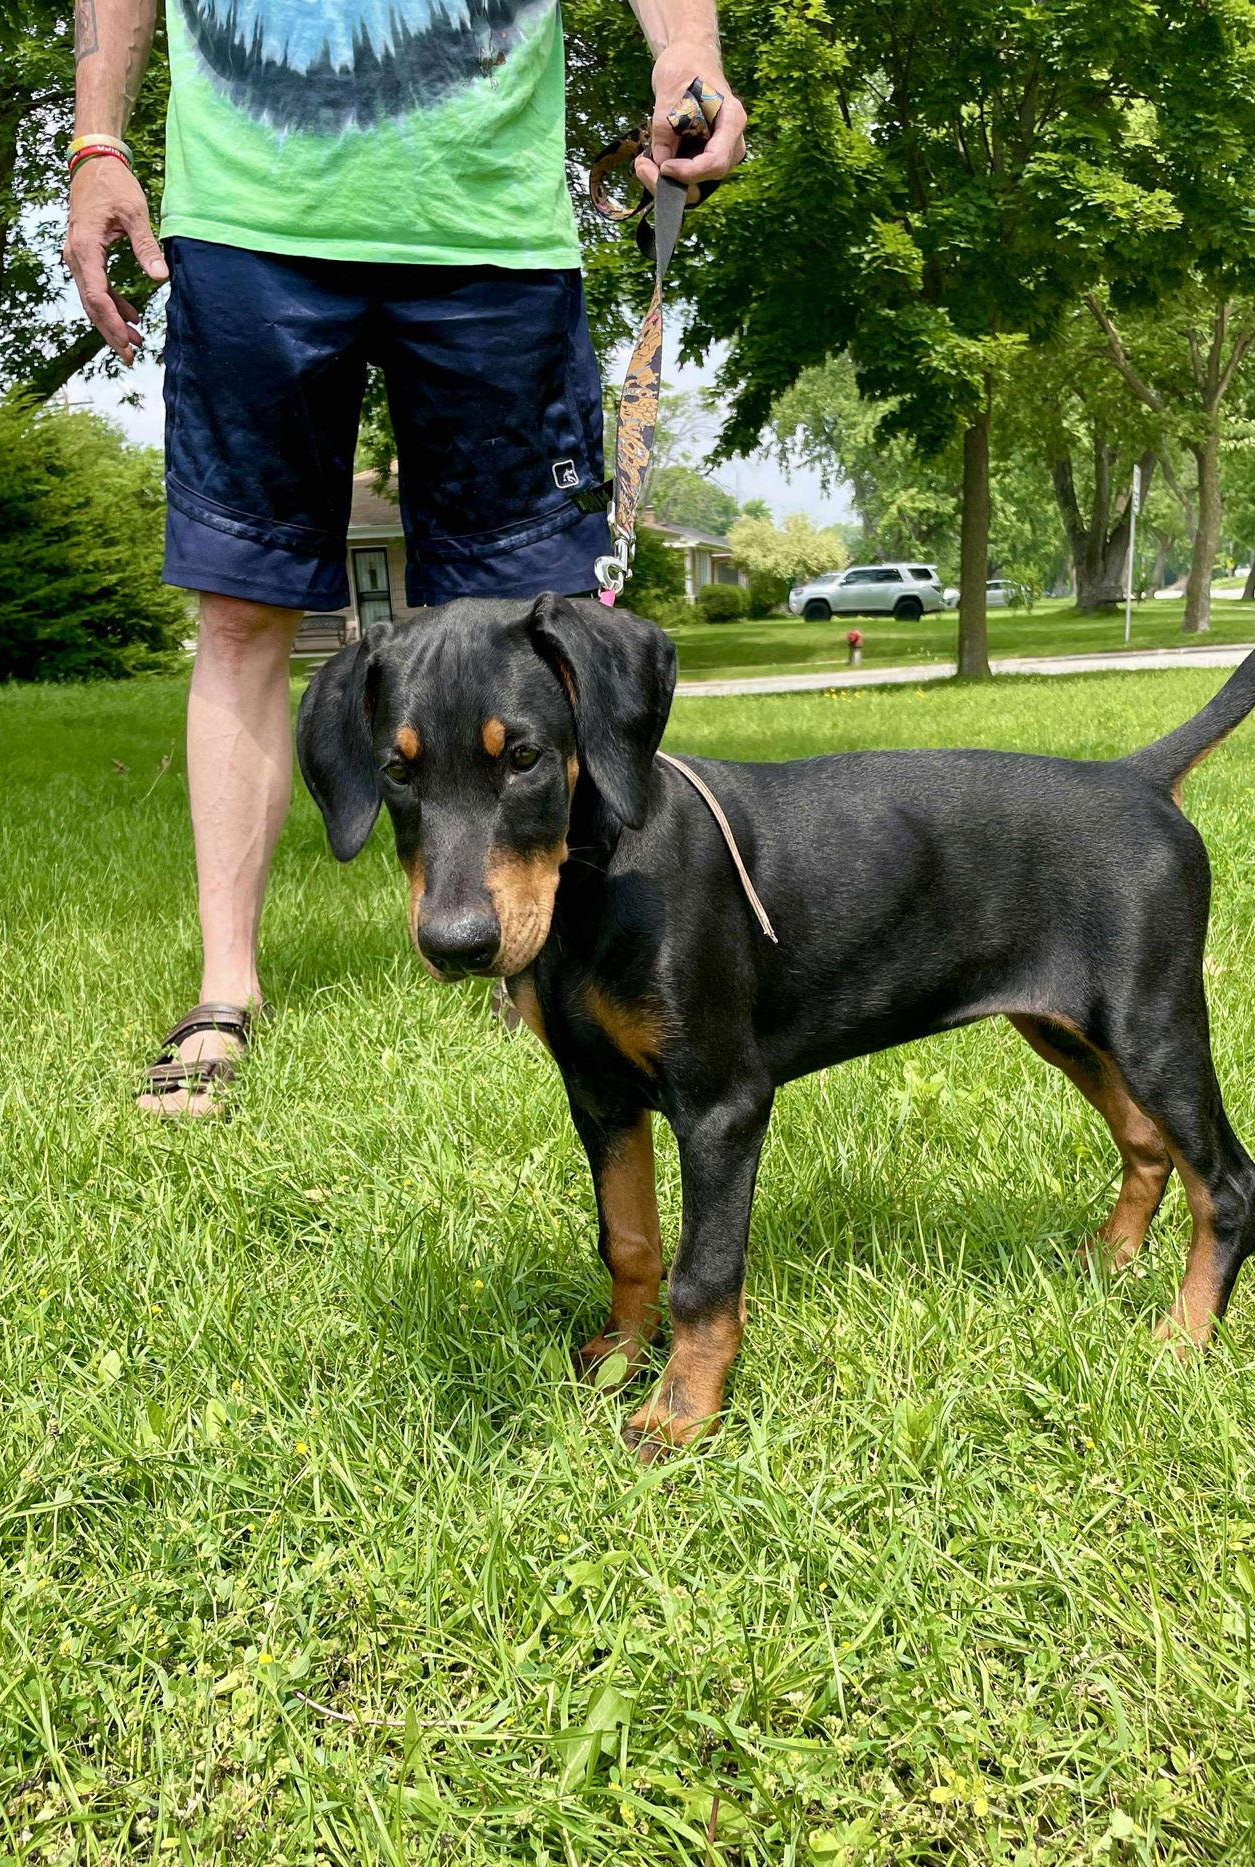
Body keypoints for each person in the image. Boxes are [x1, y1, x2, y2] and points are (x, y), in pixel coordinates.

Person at [64, 0, 747, 1114]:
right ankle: (224, 986)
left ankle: (548, 965)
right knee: (237, 612)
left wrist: (688, 49)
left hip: (491, 224)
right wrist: (98, 143)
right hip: (246, 214)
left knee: (532, 615)